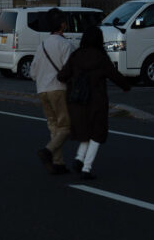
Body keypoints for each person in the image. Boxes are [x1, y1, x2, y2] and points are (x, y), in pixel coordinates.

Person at [57, 26, 133, 180]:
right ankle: (86, 167)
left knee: (85, 131)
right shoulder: (101, 57)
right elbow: (114, 75)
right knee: (97, 133)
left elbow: (62, 75)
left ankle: (79, 158)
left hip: (77, 100)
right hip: (96, 100)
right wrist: (126, 86)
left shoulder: (76, 55)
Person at [29, 8, 74, 174]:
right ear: (62, 25)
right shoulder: (66, 45)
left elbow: (33, 72)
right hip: (59, 89)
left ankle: (58, 162)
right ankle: (48, 151)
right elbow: (70, 69)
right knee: (65, 126)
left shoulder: (41, 45)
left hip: (42, 89)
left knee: (53, 126)